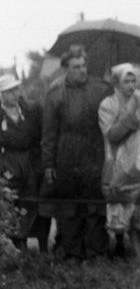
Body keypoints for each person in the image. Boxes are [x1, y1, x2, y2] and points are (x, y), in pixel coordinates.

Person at [41, 46, 110, 260]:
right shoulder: (55, 94)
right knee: (69, 206)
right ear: (66, 69)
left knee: (95, 204)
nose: (82, 70)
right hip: (66, 153)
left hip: (94, 151)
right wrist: (49, 164)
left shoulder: (100, 88)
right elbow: (49, 132)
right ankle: (72, 253)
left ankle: (97, 252)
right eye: (76, 67)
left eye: (84, 65)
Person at [97, 63, 140, 257]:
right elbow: (111, 134)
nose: (131, 85)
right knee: (127, 204)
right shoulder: (108, 104)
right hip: (120, 163)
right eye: (126, 81)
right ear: (116, 83)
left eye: (134, 80)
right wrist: (131, 115)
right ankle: (138, 253)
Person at [0, 74, 44, 251]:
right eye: (9, 91)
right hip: (8, 161)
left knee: (31, 200)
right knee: (11, 201)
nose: (14, 94)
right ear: (2, 95)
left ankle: (31, 238)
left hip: (29, 161)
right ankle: (18, 243)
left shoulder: (29, 111)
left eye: (16, 89)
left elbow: (38, 136)